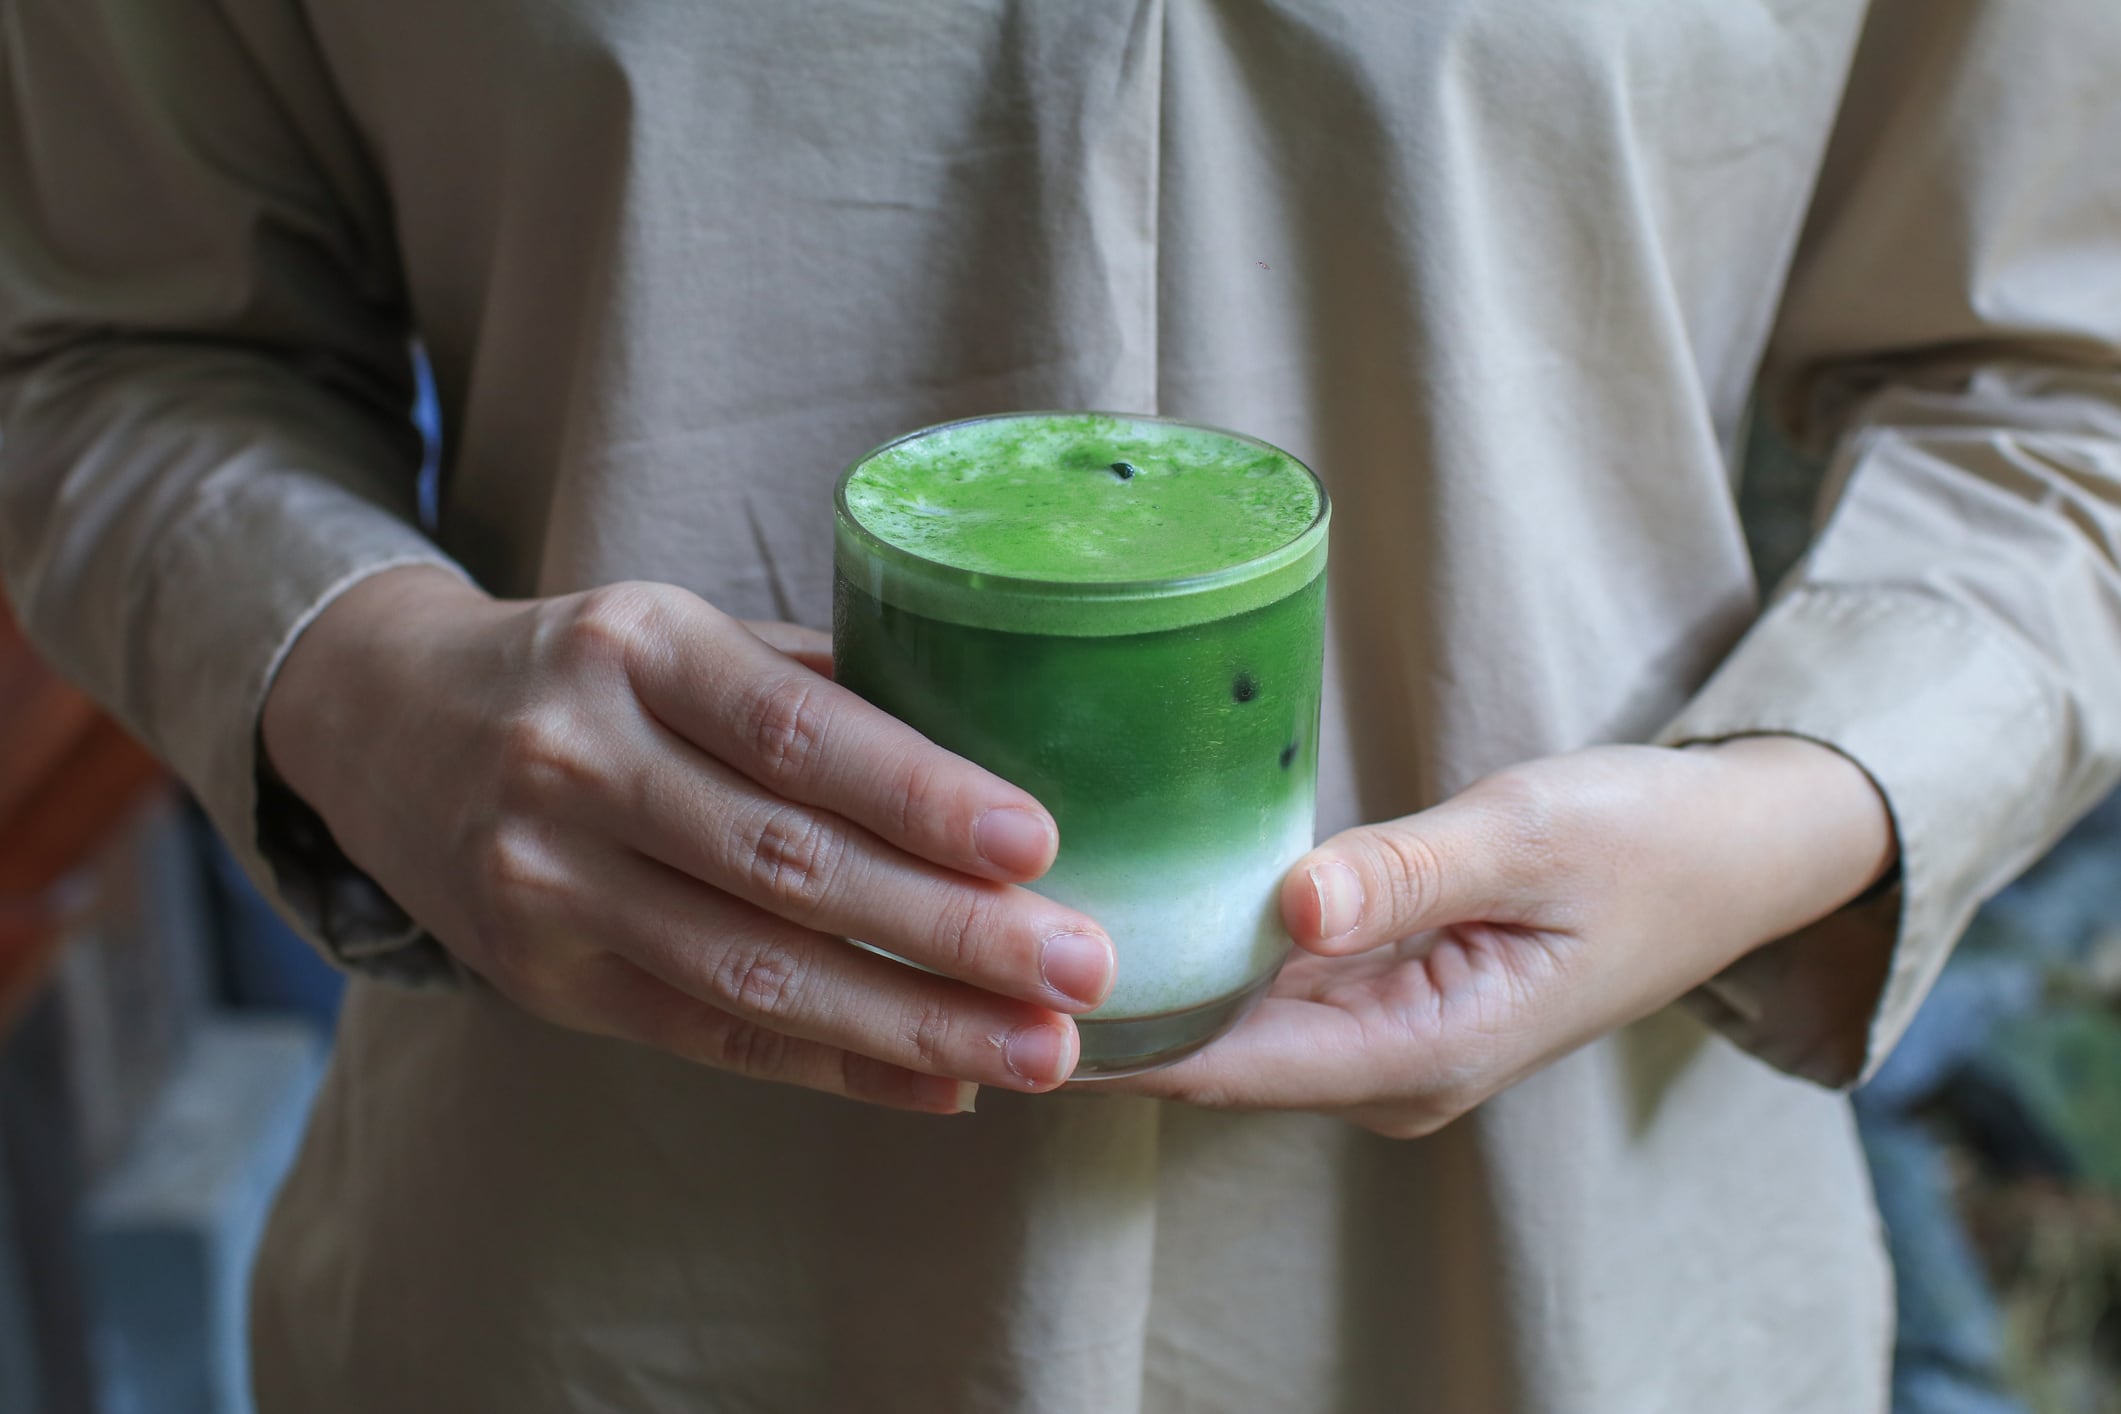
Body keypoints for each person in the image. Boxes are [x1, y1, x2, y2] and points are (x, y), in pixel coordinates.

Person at [3, 2, 2117, 1409]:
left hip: (1566, 1280)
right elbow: (97, 333)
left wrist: (1795, 802)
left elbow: (2058, 375)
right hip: (612, 1264)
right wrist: (353, 672)